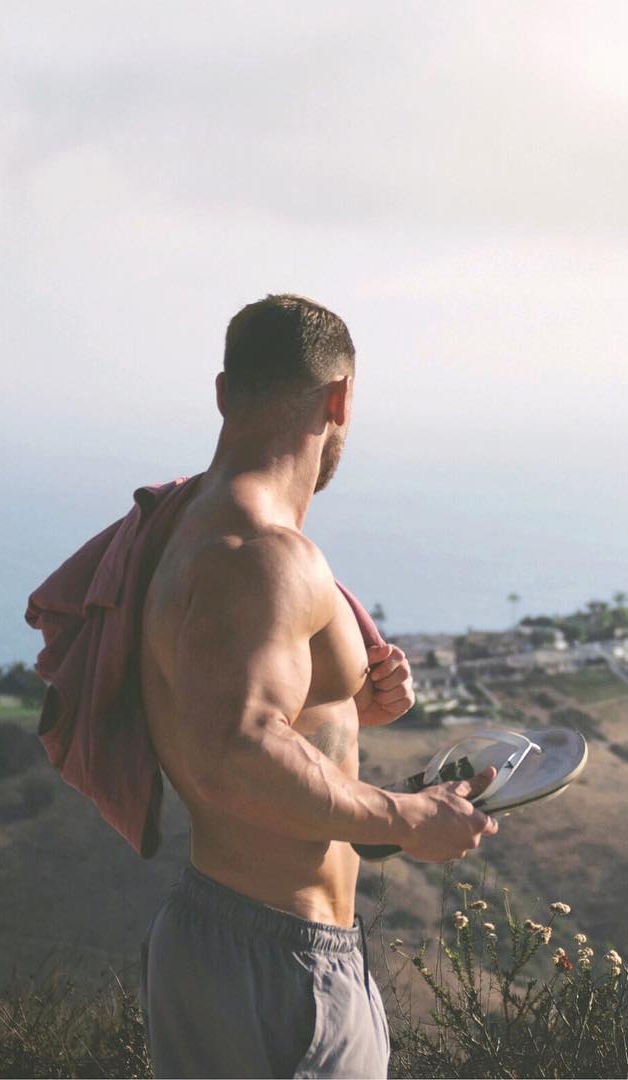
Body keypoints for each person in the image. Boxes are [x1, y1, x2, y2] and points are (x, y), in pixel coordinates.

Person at [137, 294, 499, 1078]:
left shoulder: (187, 528)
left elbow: (225, 724)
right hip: (281, 971)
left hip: (218, 938)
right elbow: (238, 750)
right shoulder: (264, 555)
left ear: (224, 394)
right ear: (338, 401)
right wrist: (404, 817)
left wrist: (346, 717)